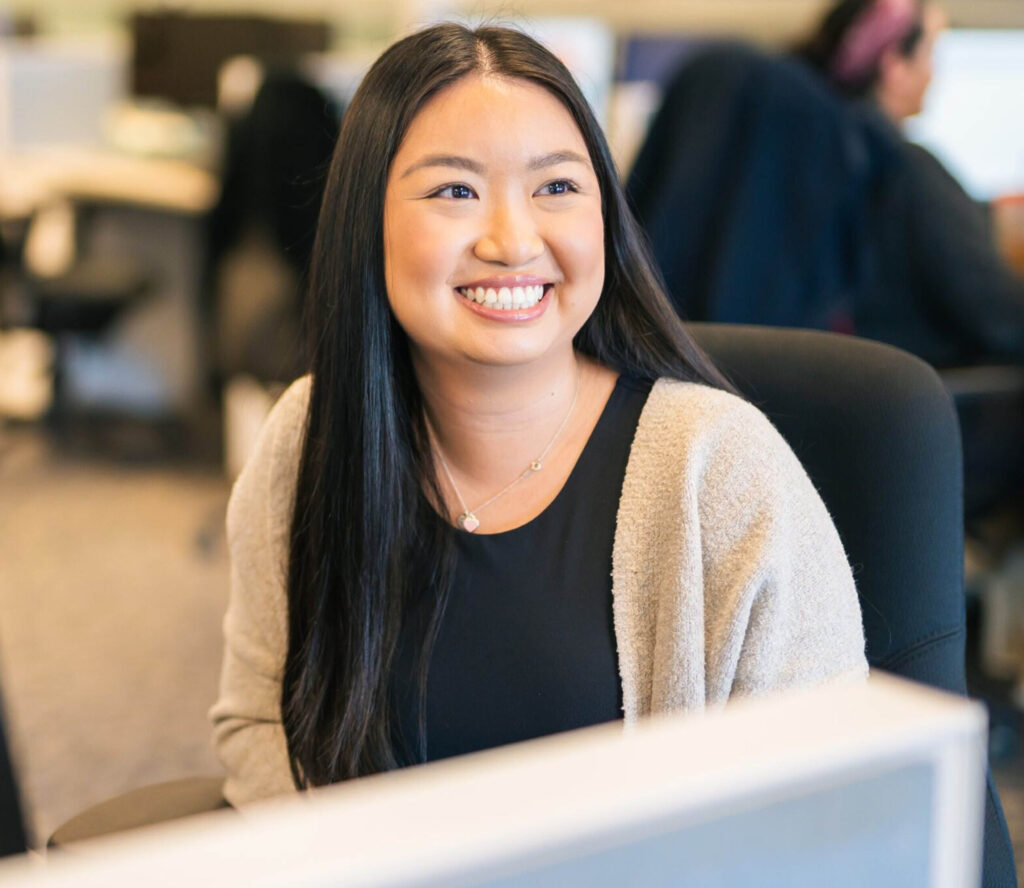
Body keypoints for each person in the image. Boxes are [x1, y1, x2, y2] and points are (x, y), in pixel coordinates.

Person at [209, 23, 867, 804]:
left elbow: (828, 801)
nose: (513, 241)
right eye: (455, 191)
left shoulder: (720, 470)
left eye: (556, 187)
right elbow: (260, 724)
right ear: (367, 219)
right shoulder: (309, 437)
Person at [795, 0, 1024, 369]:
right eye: (930, 52)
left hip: (851, 380)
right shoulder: (905, 167)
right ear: (894, 65)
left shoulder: (812, 155)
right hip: (926, 388)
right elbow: (1000, 316)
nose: (934, 72)